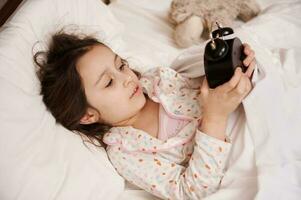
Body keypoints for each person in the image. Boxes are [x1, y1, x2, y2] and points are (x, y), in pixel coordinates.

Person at [34, 31, 256, 200]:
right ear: (87, 115)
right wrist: (215, 118)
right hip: (247, 158)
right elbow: (191, 191)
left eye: (121, 65)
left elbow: (213, 81)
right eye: (109, 82)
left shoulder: (160, 80)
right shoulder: (126, 152)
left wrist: (237, 67)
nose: (127, 77)